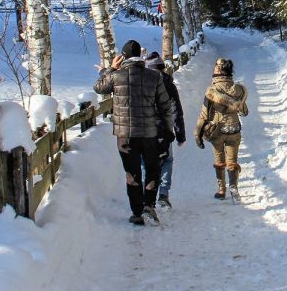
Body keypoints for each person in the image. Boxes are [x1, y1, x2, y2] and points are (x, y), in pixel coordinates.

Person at [94, 39, 175, 225]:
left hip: (125, 136)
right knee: (152, 169)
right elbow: (165, 106)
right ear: (140, 55)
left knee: (132, 172)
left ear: (123, 57)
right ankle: (149, 205)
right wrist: (168, 130)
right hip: (150, 133)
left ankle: (137, 212)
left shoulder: (117, 76)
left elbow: (99, 88)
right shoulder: (154, 77)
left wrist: (111, 69)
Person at [194, 57, 249, 200]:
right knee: (232, 160)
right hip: (234, 128)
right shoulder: (239, 89)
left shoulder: (212, 90)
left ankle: (221, 190)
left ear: (218, 70)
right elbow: (244, 111)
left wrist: (197, 134)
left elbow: (204, 114)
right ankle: (234, 187)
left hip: (217, 129)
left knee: (219, 159)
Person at [144, 51, 186, 208]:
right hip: (164, 130)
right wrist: (180, 134)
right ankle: (163, 194)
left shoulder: (143, 83)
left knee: (146, 163)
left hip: (145, 131)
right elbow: (176, 111)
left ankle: (147, 195)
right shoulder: (168, 84)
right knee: (167, 160)